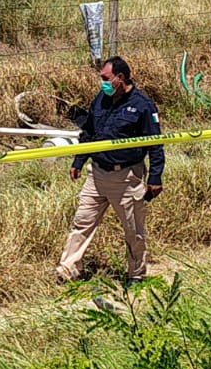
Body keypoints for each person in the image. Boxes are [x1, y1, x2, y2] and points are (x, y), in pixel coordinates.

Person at [57, 56, 165, 284]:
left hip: (126, 178)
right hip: (96, 174)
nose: (102, 84)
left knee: (133, 231)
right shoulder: (101, 100)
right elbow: (89, 133)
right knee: (81, 224)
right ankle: (67, 271)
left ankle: (136, 274)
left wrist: (155, 177)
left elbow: (155, 143)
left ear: (120, 78)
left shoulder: (143, 105)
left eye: (105, 79)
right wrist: (79, 161)